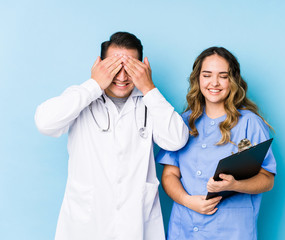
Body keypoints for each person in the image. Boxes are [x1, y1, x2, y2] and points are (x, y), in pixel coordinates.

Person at [35, 32, 189, 240]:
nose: (122, 77)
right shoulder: (81, 96)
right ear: (100, 65)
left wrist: (149, 88)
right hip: (86, 224)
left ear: (142, 68)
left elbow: (176, 140)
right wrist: (94, 84)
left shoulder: (150, 102)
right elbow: (45, 123)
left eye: (130, 68)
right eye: (114, 67)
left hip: (136, 223)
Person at [156, 47, 276, 239]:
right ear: (198, 79)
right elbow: (169, 175)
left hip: (232, 230)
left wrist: (234, 184)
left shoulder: (249, 123)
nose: (214, 82)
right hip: (185, 228)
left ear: (233, 81)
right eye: (207, 75)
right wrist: (187, 201)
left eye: (223, 76)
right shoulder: (182, 122)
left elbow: (267, 179)